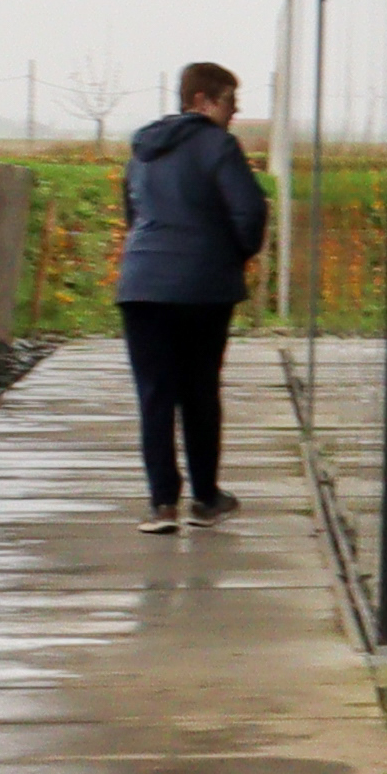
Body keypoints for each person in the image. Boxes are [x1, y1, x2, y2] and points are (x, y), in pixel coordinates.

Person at [115, 62, 271, 532]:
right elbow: (250, 210)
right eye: (229, 101)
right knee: (199, 391)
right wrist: (231, 256)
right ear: (202, 100)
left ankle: (162, 504)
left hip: (142, 287)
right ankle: (205, 499)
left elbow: (133, 213)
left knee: (155, 395)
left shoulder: (142, 150)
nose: (234, 111)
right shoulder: (218, 145)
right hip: (202, 288)